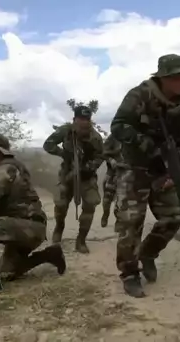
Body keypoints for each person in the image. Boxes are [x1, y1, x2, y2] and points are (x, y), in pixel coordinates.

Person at [110, 54, 180, 298]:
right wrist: (148, 146)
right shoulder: (140, 95)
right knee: (130, 223)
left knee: (173, 218)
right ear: (163, 78)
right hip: (134, 168)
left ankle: (147, 254)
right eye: (177, 77)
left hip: (163, 170)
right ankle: (129, 273)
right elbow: (118, 126)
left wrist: (175, 165)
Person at [0, 134, 67, 293]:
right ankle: (49, 255)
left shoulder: (2, 171)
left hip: (27, 229)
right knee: (8, 273)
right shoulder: (12, 167)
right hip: (30, 228)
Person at [43, 106, 104, 253]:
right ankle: (59, 228)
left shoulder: (95, 137)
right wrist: (65, 154)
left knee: (90, 204)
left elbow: (101, 156)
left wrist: (88, 167)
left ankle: (81, 240)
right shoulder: (65, 131)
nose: (84, 123)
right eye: (81, 119)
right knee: (61, 203)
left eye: (87, 120)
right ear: (74, 119)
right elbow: (48, 145)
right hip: (67, 173)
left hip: (86, 176)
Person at [100, 134, 123, 228]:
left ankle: (119, 220)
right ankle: (105, 215)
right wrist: (111, 160)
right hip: (112, 172)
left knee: (121, 199)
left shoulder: (134, 136)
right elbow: (103, 152)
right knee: (107, 199)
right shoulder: (114, 136)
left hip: (126, 173)